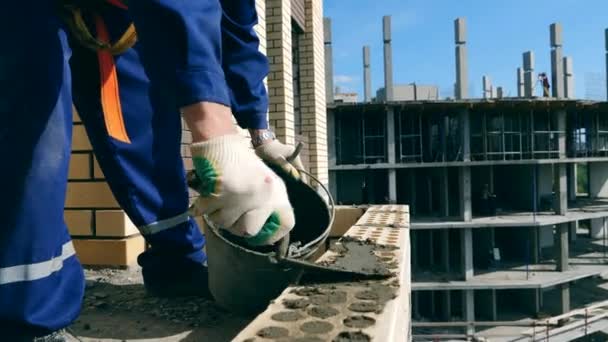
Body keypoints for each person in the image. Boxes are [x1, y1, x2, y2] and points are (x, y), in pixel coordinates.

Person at [0, 0, 303, 340]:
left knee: (142, 119)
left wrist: (260, 132)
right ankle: (21, 308)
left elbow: (236, 31)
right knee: (30, 108)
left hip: (111, 10)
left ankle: (176, 262)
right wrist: (217, 136)